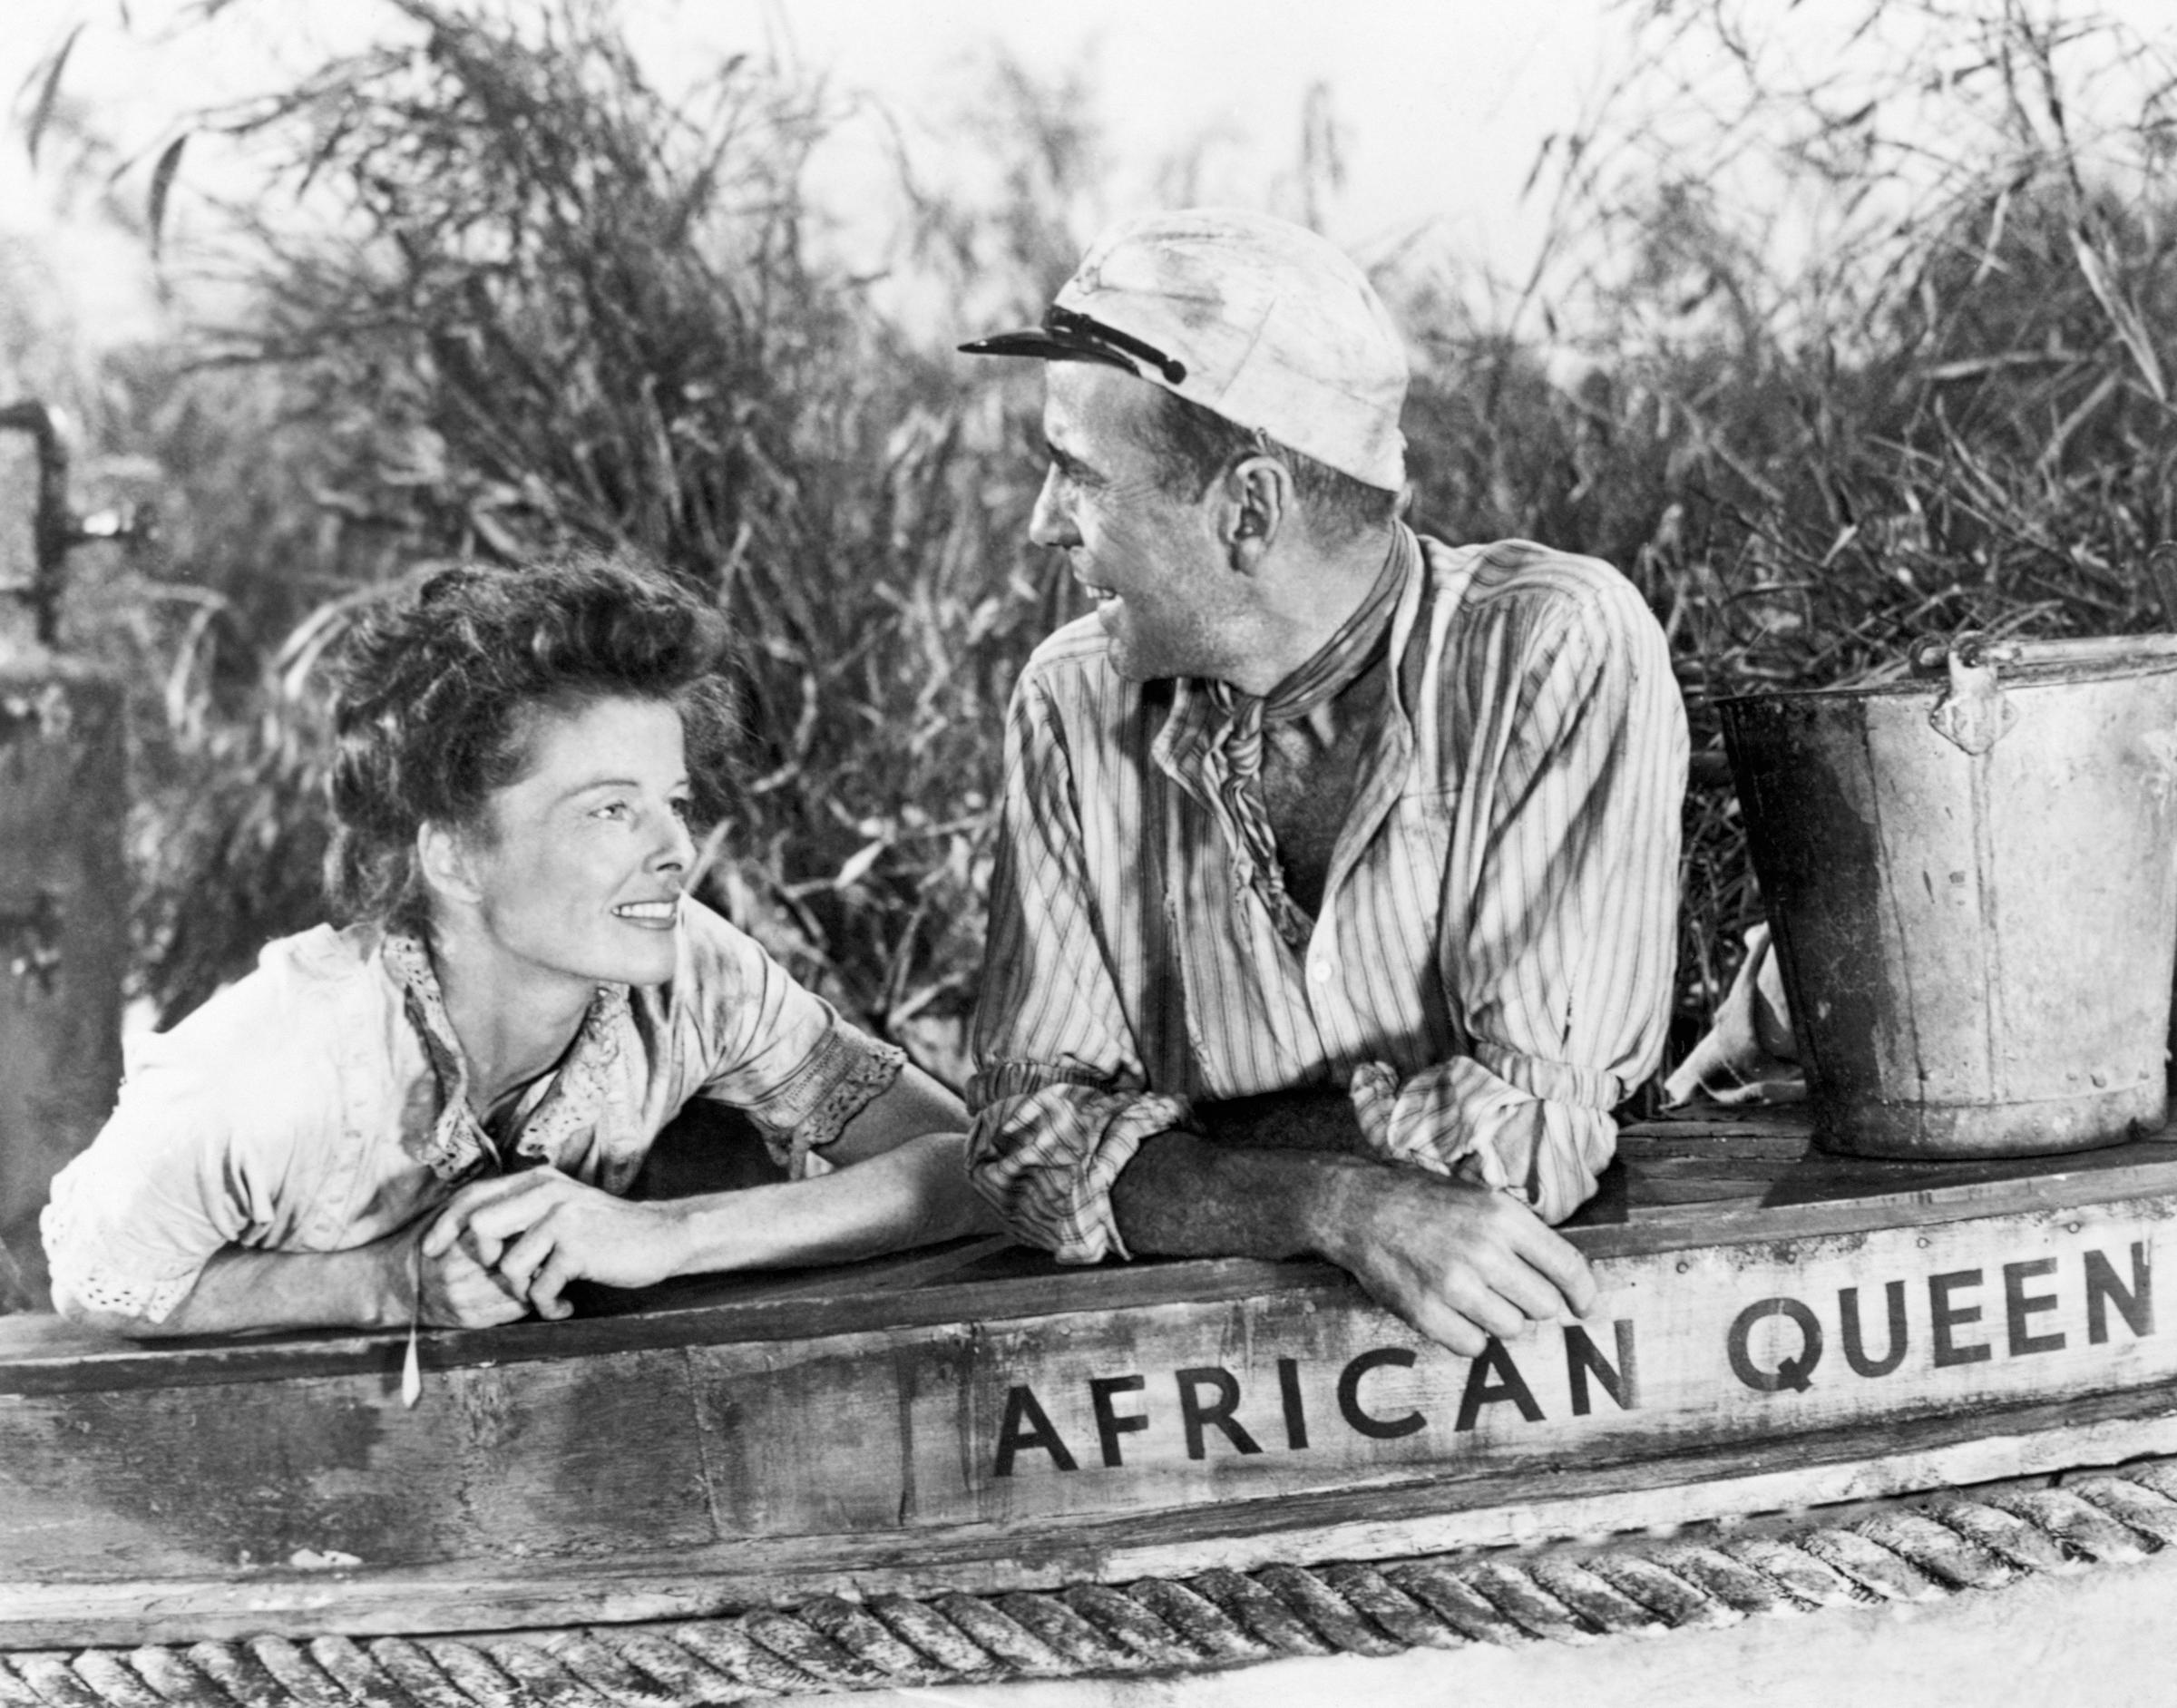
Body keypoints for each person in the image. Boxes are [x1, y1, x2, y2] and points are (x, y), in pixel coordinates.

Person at [959, 209, 1688, 1353]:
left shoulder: (1550, 645)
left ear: (1249, 509)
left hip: (1541, 1368)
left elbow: (1528, 1144)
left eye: (1078, 474)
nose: (1046, 523)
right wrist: (1338, 1203)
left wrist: (1184, 1156)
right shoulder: (1069, 698)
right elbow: (1027, 1148)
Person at [44, 551, 996, 1338]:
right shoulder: (269, 1070)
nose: (677, 848)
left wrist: (668, 1233)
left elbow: (976, 1164)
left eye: (672, 802)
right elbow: (97, 1283)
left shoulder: (699, 971)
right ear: (456, 856)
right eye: (610, 809)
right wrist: (386, 1283)